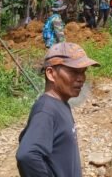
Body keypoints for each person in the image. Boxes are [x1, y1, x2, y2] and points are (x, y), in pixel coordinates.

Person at [16, 42, 100, 176]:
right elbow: (27, 156)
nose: (81, 78)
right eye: (74, 72)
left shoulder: (60, 104)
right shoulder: (46, 111)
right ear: (51, 73)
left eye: (83, 72)